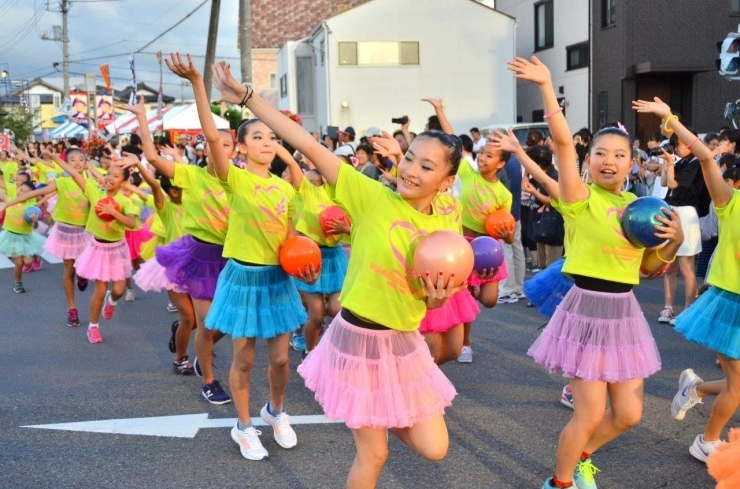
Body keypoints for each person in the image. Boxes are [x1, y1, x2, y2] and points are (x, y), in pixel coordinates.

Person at [212, 59, 464, 486]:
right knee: (375, 453)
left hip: (404, 345)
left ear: (445, 180)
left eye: (427, 166)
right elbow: (308, 145)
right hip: (358, 340)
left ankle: (382, 412)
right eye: (410, 159)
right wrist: (249, 97)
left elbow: (434, 297)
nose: (411, 170)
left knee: (434, 448)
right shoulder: (371, 197)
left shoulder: (447, 226)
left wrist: (437, 297)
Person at [511, 56, 684, 489]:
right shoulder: (579, 197)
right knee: (588, 412)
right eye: (600, 153)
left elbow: (646, 270)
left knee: (629, 414)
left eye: (619, 155)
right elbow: (563, 146)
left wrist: (675, 242)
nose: (609, 160)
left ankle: (583, 455)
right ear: (589, 161)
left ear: (631, 164)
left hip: (624, 313)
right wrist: (548, 87)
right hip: (586, 310)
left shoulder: (639, 209)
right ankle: (561, 482)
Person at [169, 53, 312, 461]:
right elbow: (214, 138)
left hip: (277, 281)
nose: (267, 143)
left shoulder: (286, 190)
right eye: (257, 138)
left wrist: (303, 259)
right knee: (244, 358)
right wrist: (199, 83)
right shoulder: (233, 179)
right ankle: (243, 426)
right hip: (242, 278)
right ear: (243, 147)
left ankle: (276, 412)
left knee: (282, 359)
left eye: (273, 137)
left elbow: (289, 238)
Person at [634, 97, 740, 463]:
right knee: (739, 386)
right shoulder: (730, 202)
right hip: (730, 305)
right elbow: (707, 158)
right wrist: (671, 119)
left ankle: (694, 387)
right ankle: (706, 440)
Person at [127, 95, 232, 405]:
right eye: (213, 145)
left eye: (225, 145)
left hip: (233, 259)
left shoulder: (242, 181)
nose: (218, 149)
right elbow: (153, 159)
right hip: (199, 257)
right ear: (205, 150)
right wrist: (143, 119)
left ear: (235, 151)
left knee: (225, 323)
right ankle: (209, 380)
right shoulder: (193, 176)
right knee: (205, 321)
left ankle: (202, 352)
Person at [0, 148, 94, 325]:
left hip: (85, 232)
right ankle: (72, 309)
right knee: (69, 270)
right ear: (66, 162)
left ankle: (83, 275)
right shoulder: (61, 182)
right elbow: (32, 194)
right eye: (72, 159)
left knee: (82, 267)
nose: (77, 163)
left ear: (86, 162)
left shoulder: (92, 183)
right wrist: (7, 204)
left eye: (81, 159)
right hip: (65, 231)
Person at [54, 153, 137, 344]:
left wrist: (114, 212)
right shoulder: (95, 192)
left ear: (124, 183)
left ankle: (112, 301)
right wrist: (54, 158)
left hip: (117, 248)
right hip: (98, 247)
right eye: (108, 173)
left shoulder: (126, 202)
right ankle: (93, 326)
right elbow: (74, 174)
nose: (110, 178)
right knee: (100, 289)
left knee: (119, 289)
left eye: (116, 176)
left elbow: (131, 223)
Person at [129, 157, 195, 375]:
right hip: (173, 266)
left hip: (200, 266)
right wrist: (139, 165)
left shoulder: (197, 203)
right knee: (188, 317)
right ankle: (180, 359)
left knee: (199, 320)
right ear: (174, 191)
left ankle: (180, 331)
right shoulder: (165, 206)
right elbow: (156, 186)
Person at [281, 147, 349, 357]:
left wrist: (347, 229)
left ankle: (319, 341)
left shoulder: (348, 199)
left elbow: (362, 229)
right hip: (308, 256)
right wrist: (281, 147)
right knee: (317, 314)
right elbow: (295, 168)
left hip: (334, 258)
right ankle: (310, 352)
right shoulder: (310, 191)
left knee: (337, 311)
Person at [657, 127, 704, 325]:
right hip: (673, 210)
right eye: (675, 145)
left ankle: (688, 309)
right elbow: (665, 182)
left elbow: (675, 185)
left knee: (686, 266)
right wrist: (668, 164)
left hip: (687, 213)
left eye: (679, 144)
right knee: (669, 265)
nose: (676, 148)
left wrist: (670, 163)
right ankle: (669, 308)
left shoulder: (696, 163)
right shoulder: (682, 162)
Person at [0, 180, 46, 293]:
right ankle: (18, 283)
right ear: (17, 188)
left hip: (26, 237)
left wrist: (35, 220)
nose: (21, 193)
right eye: (21, 189)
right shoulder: (9, 200)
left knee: (28, 262)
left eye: (26, 192)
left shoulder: (32, 207)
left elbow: (35, 226)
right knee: (19, 263)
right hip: (11, 236)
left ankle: (35, 258)